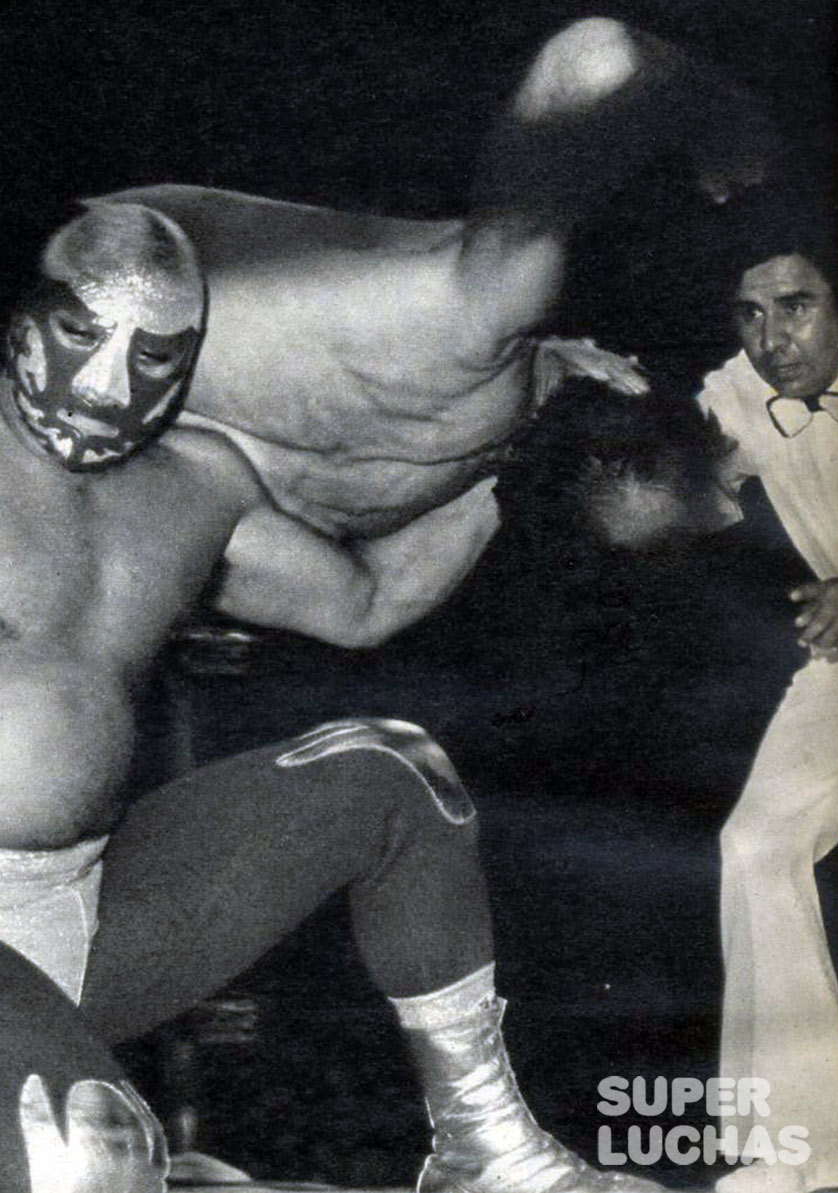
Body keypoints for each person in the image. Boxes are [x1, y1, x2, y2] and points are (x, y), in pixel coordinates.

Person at [0, 197, 672, 1193]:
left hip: (78, 918)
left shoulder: (197, 481)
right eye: (80, 333)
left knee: (394, 777)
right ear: (24, 315)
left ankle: (486, 1152)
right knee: (80, 1155)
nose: (107, 383)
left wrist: (523, 436)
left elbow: (367, 600)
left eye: (151, 357)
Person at [100, 16, 771, 551]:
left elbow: (363, 614)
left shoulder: (441, 479)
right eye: (636, 467)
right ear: (625, 371)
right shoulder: (480, 329)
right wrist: (718, 115)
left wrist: (720, 120)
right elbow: (593, 54)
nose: (605, 475)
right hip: (80, 274)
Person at [690, 193, 838, 1193]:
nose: (771, 336)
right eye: (749, 314)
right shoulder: (737, 389)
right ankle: (800, 1150)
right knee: (754, 847)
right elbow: (681, 477)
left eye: (794, 306)